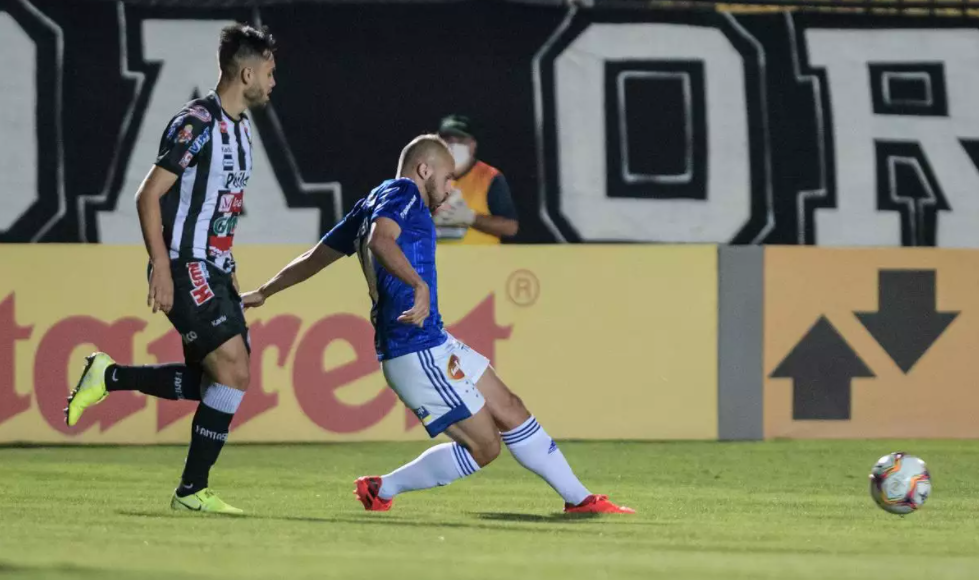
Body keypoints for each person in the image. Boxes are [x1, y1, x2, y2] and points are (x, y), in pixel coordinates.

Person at [241, 135, 634, 514]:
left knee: (510, 408)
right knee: (486, 447)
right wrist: (418, 286)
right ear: (424, 169)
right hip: (413, 347)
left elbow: (316, 257)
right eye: (447, 179)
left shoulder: (372, 202)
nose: (449, 190)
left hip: (433, 340)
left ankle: (580, 499)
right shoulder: (403, 194)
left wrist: (265, 290)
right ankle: (383, 489)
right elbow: (381, 241)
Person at [64, 23, 278, 515]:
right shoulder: (196, 123)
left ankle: (109, 376)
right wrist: (161, 266)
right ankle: (191, 490)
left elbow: (220, 210)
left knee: (213, 384)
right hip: (184, 265)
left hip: (215, 269)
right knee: (234, 372)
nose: (272, 82)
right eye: (268, 72)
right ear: (245, 72)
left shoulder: (241, 128)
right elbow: (148, 195)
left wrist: (229, 271)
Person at [433, 114, 519, 244]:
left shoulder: (490, 177)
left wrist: (469, 217)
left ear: (473, 145)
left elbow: (510, 228)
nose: (452, 145)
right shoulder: (424, 176)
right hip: (438, 262)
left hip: (481, 262)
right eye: (447, 140)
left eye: (460, 140)